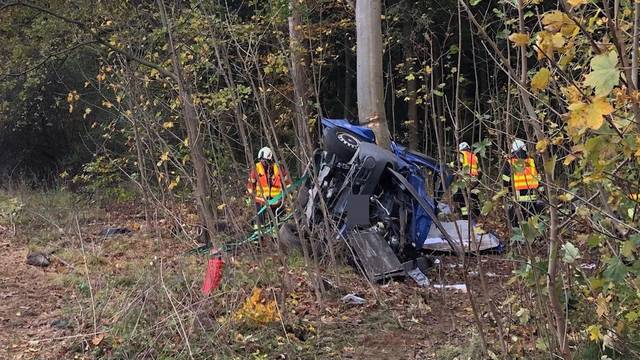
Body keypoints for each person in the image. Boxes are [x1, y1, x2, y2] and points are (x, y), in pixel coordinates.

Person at [246, 147, 290, 228]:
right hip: (261, 199)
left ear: (270, 159)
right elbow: (251, 183)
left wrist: (288, 195)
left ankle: (275, 235)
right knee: (259, 217)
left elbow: (287, 182)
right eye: (261, 160)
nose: (262, 162)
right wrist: (250, 195)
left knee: (275, 218)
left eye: (264, 160)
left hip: (275, 199)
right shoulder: (256, 168)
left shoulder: (278, 168)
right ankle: (258, 235)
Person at [502, 139, 543, 226]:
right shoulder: (531, 161)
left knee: (518, 224)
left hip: (517, 200)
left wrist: (506, 193)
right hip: (532, 199)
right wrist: (542, 193)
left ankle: (519, 239)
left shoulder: (509, 163)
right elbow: (539, 179)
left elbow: (505, 181)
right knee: (533, 224)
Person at [453, 142, 481, 219]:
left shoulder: (461, 154)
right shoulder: (474, 156)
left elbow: (457, 164)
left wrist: (450, 165)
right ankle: (479, 215)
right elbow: (479, 171)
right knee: (474, 197)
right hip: (474, 180)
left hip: (465, 180)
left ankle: (465, 216)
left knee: (460, 197)